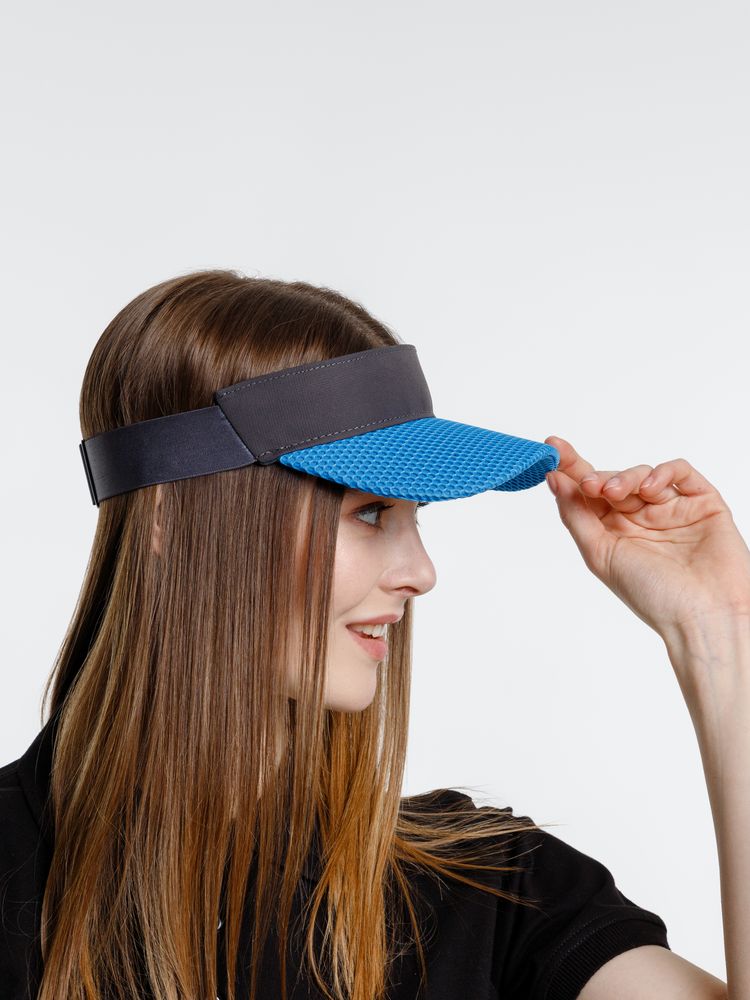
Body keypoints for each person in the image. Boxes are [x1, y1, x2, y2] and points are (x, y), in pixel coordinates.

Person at [1, 269, 742, 999]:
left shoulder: (493, 893)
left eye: (415, 516)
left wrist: (716, 629)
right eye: (369, 512)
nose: (421, 573)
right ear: (172, 521)